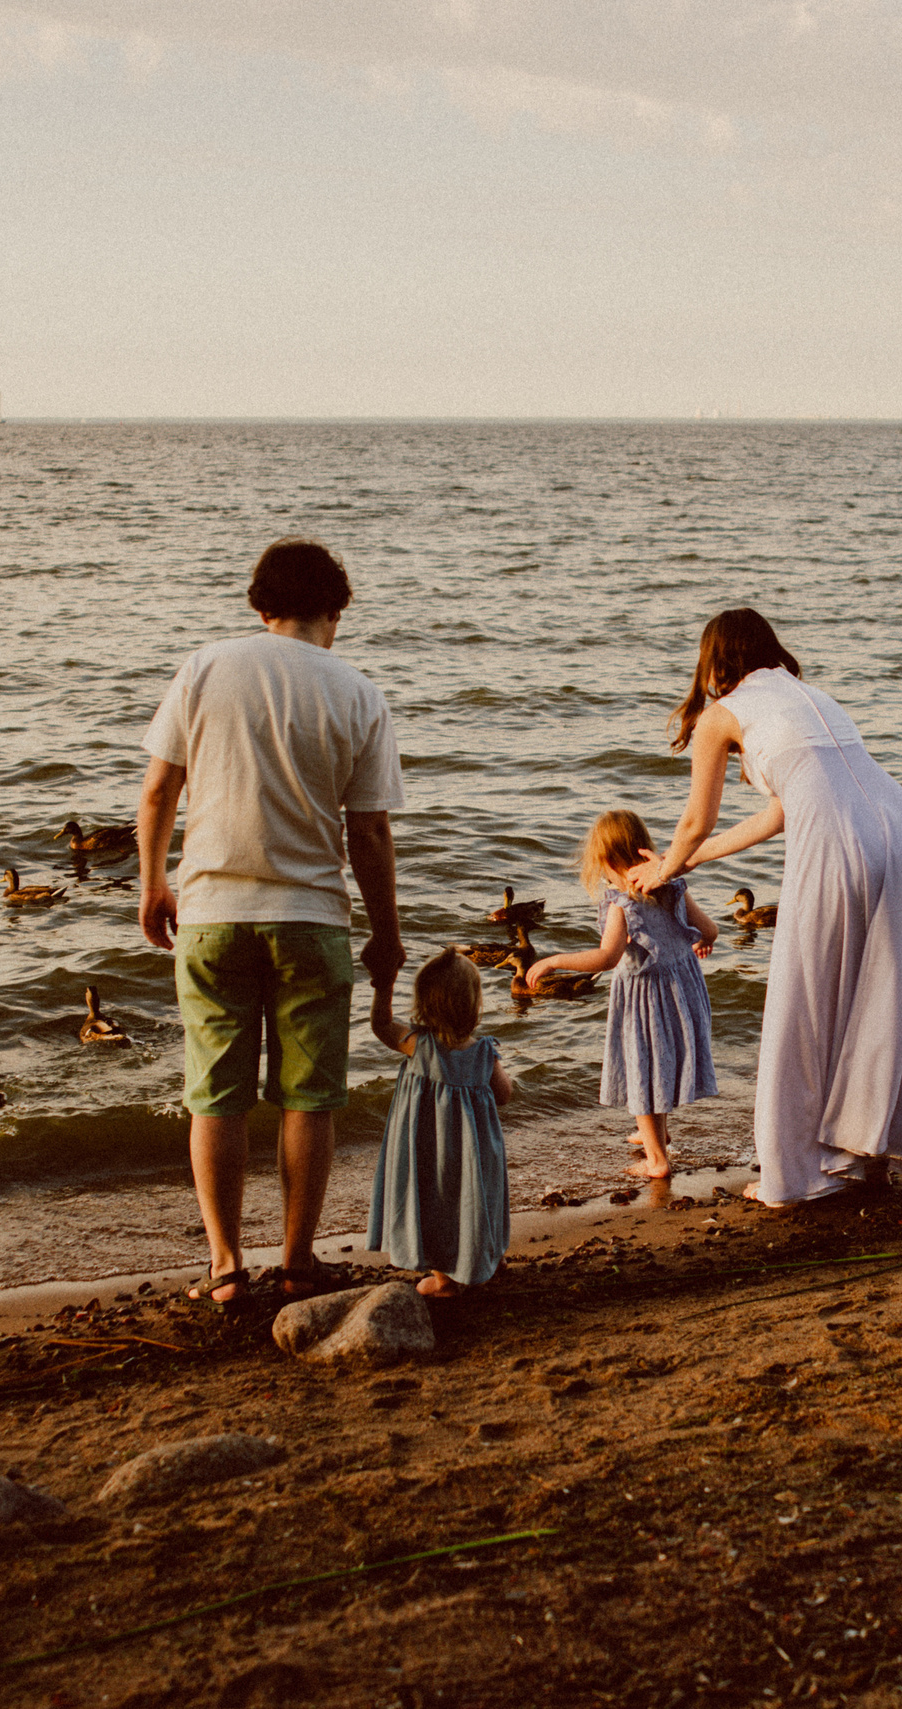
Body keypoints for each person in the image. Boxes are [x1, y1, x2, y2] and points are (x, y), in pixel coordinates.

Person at [137, 538, 405, 1304]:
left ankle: (224, 1264)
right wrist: (385, 931)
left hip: (212, 914)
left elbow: (158, 791)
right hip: (311, 916)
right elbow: (371, 835)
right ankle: (296, 1256)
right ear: (337, 611)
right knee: (307, 1097)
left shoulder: (206, 667)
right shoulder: (357, 691)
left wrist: (154, 883)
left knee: (215, 1094)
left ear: (260, 607)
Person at [629, 609, 902, 1206]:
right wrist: (689, 862)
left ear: (713, 660)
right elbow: (780, 811)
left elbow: (698, 820)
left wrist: (666, 865)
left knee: (805, 1002)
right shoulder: (811, 696)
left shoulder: (720, 715)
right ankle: (863, 1150)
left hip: (838, 840)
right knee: (878, 999)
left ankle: (795, 1174)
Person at [526, 809, 718, 1179]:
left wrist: (555, 960)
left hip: (645, 998)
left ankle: (657, 1160)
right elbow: (709, 929)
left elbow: (607, 957)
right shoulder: (674, 886)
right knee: (662, 1064)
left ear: (609, 861)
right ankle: (656, 1135)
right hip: (684, 991)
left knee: (641, 1069)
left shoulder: (622, 904)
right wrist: (701, 944)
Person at [368, 948, 514, 1296]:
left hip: (428, 1149)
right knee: (478, 1198)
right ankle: (486, 1258)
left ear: (424, 1005)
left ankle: (446, 1280)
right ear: (474, 1005)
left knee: (436, 1200)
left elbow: (380, 1024)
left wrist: (383, 984)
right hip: (475, 1152)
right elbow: (505, 1094)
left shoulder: (417, 1046)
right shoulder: (484, 1053)